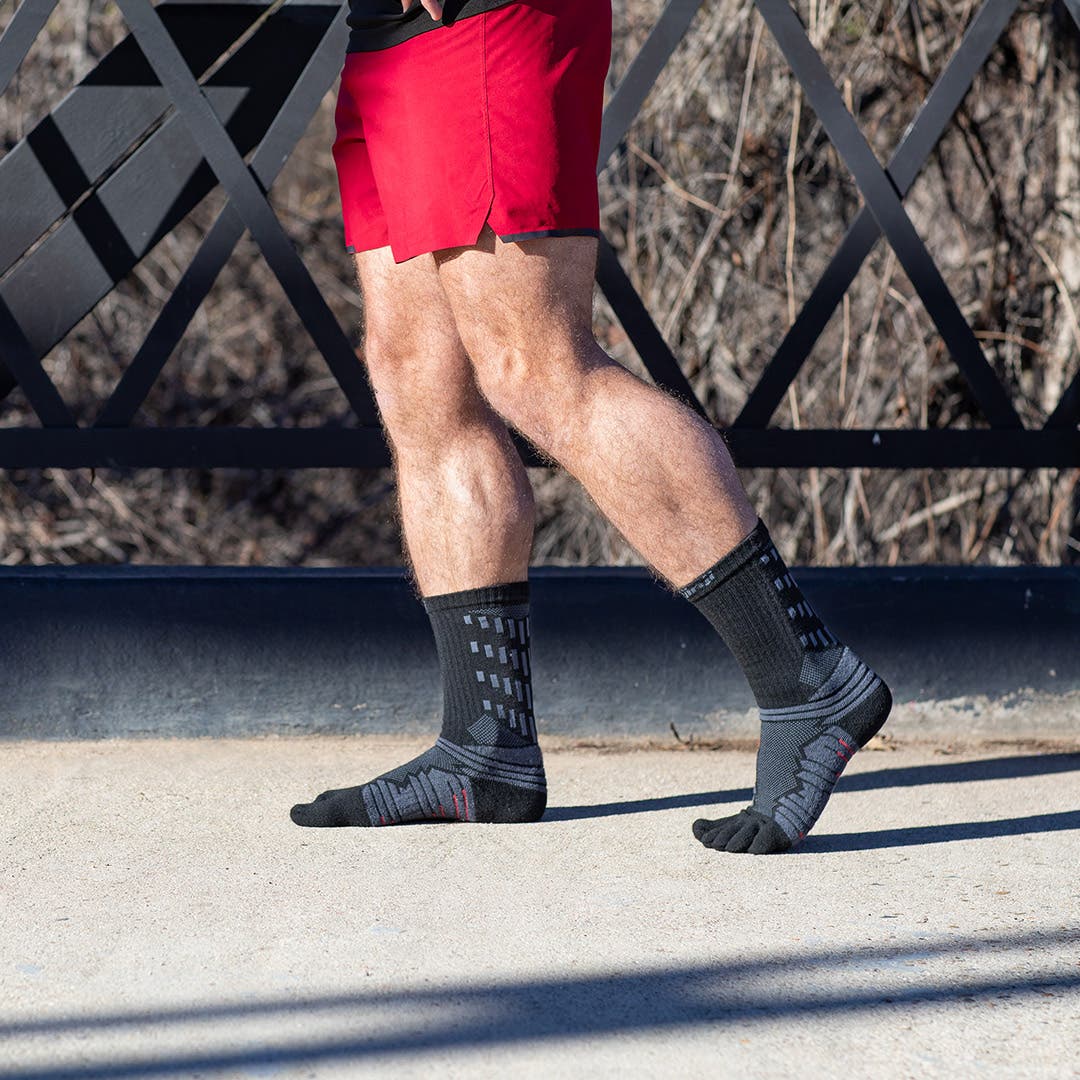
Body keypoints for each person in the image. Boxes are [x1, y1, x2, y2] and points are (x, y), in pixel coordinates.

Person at [289, 0, 891, 853]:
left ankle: (807, 677)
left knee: (535, 366)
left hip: (481, 18)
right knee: (416, 371)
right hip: (387, 34)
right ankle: (485, 748)